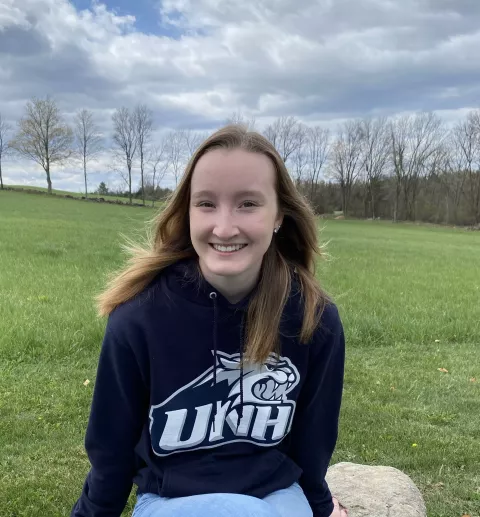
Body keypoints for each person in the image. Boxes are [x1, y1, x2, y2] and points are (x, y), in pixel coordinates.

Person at [71, 124, 348, 517]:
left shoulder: (313, 319)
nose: (223, 227)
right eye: (206, 204)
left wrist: (320, 506)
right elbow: (111, 452)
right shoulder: (139, 317)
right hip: (172, 501)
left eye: (248, 204)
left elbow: (312, 443)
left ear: (279, 215)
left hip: (277, 496)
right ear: (186, 212)